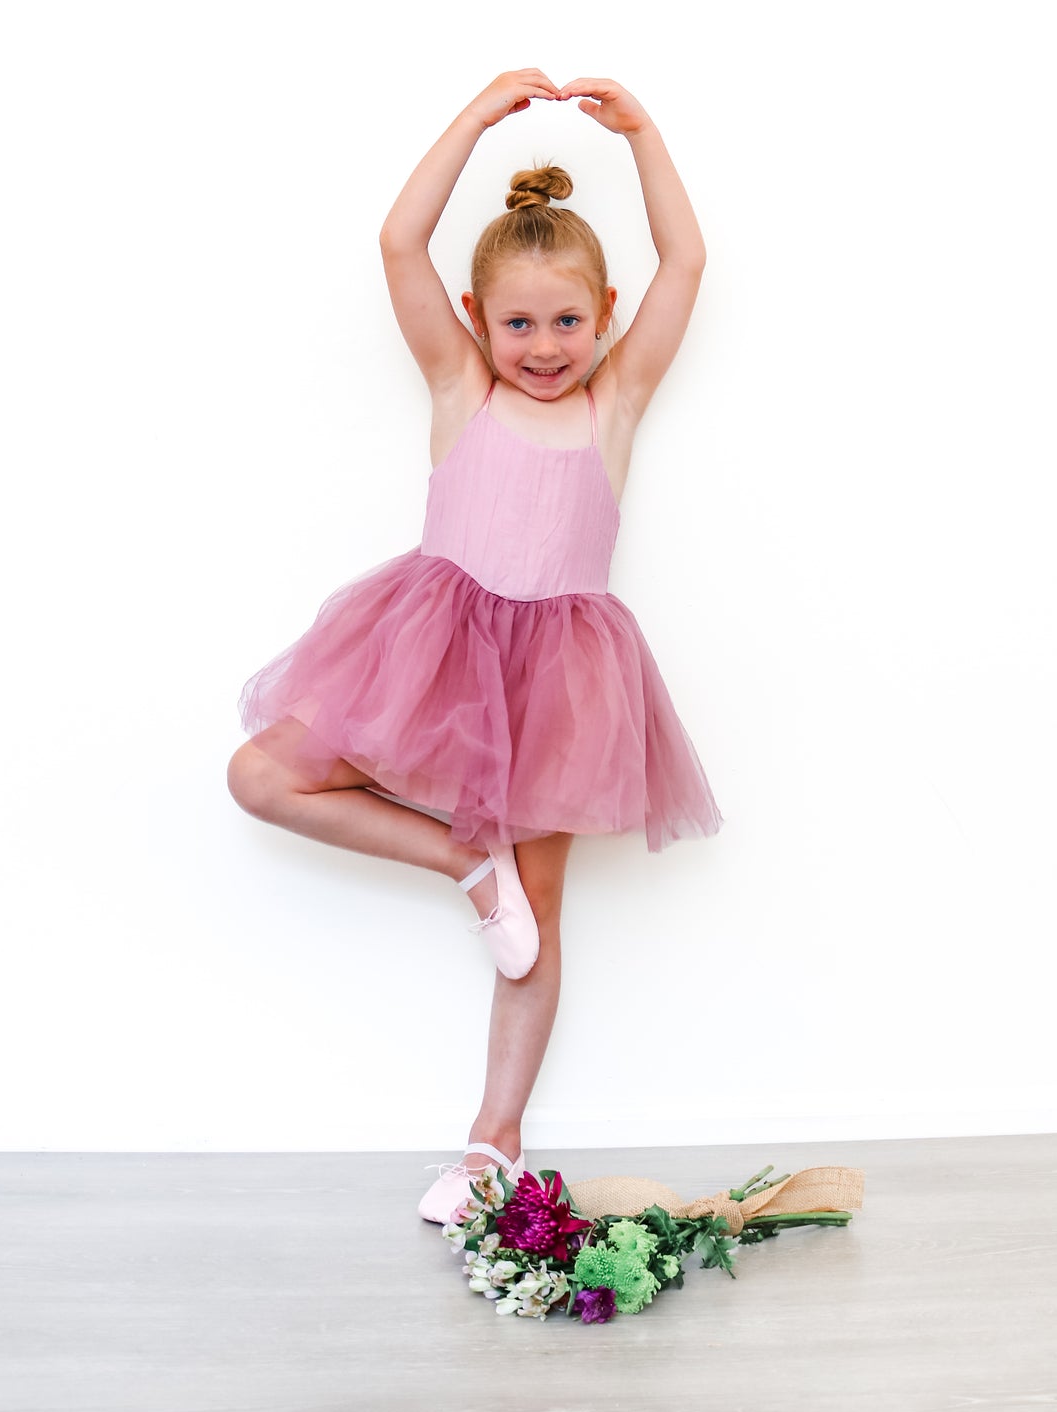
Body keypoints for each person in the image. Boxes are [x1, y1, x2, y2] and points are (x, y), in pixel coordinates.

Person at [226, 69, 722, 1224]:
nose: (543, 346)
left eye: (567, 320)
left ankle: (492, 1142)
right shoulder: (457, 383)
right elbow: (397, 240)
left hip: (557, 678)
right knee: (261, 772)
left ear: (605, 311)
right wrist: (474, 115)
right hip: (430, 656)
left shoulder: (615, 403)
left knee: (535, 924)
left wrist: (643, 133)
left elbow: (686, 264)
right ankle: (463, 862)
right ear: (473, 315)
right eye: (516, 321)